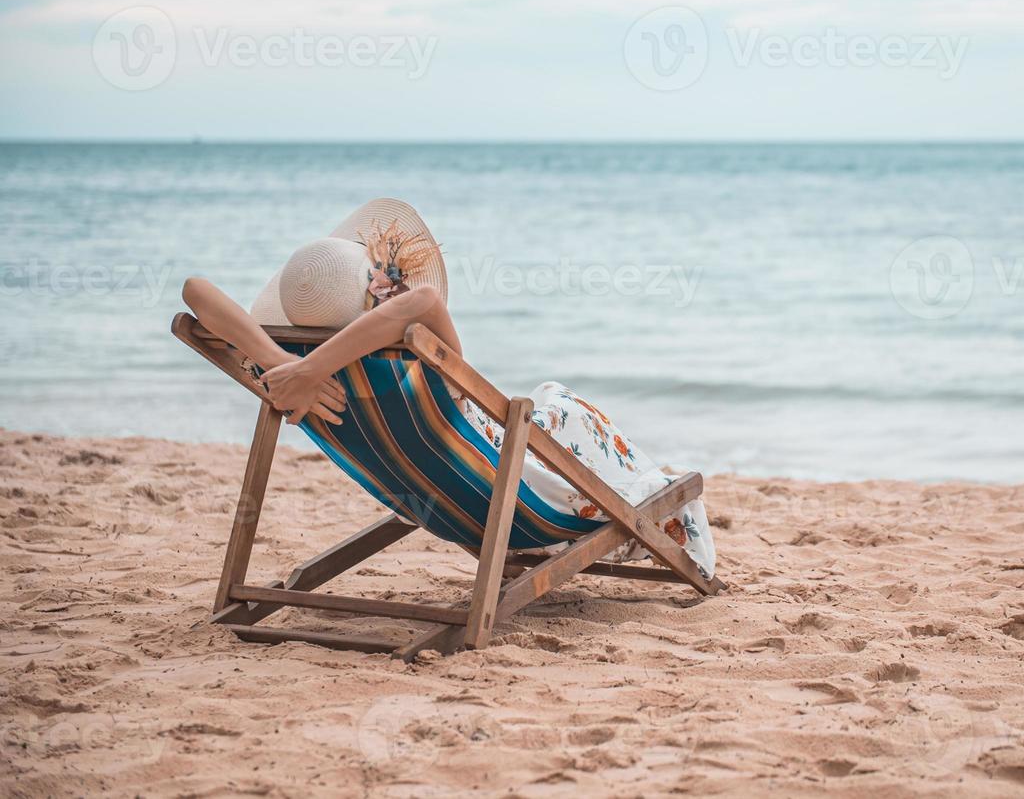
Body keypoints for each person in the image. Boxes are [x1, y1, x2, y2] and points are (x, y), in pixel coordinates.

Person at [181, 198, 715, 578]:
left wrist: (288, 365)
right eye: (379, 276)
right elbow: (424, 304)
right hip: (515, 489)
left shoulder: (289, 370)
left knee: (552, 401)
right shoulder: (401, 351)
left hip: (441, 498)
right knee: (560, 403)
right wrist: (300, 370)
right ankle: (656, 495)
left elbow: (193, 293)